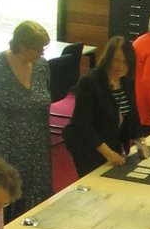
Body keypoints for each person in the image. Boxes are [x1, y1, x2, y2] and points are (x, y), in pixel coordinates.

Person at [0, 20, 52, 216]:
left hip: (36, 144)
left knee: (35, 194)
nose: (41, 53)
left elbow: (45, 98)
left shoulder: (41, 66)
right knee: (6, 193)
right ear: (22, 46)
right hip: (4, 144)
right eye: (38, 48)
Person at [62, 36, 144, 176]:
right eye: (116, 60)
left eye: (125, 62)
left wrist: (140, 141)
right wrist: (108, 153)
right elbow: (83, 124)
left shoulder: (126, 81)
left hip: (112, 140)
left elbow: (132, 112)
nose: (120, 66)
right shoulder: (90, 82)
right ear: (107, 59)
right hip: (87, 146)